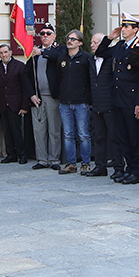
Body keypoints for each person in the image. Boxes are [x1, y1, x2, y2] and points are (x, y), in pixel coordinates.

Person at [97, 15, 139, 184]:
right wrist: (110, 38)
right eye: (123, 26)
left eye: (127, 27)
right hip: (118, 99)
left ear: (135, 29)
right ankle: (128, 169)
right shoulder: (119, 46)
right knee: (122, 137)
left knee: (134, 137)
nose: (124, 29)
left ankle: (137, 171)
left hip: (132, 101)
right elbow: (101, 52)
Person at [25, 27, 63, 170]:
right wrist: (31, 94)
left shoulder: (58, 49)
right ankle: (42, 159)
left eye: (48, 34)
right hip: (38, 98)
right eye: (42, 34)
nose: (45, 36)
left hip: (53, 97)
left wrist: (42, 52)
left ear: (54, 36)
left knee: (54, 129)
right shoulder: (35, 54)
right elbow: (26, 75)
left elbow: (57, 56)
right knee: (39, 130)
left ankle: (54, 159)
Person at [58, 30, 94, 174]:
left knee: (83, 134)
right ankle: (71, 163)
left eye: (73, 39)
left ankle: (85, 163)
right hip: (65, 102)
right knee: (68, 134)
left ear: (80, 42)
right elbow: (58, 78)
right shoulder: (61, 58)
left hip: (81, 102)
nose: (69, 41)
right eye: (68, 38)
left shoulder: (86, 58)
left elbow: (91, 79)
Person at [0, 43, 30, 164]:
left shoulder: (20, 66)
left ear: (11, 52)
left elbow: (24, 87)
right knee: (6, 131)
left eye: (6, 52)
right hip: (2, 104)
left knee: (17, 131)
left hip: (16, 105)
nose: (4, 55)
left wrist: (24, 106)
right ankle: (11, 154)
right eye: (1, 53)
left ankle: (22, 154)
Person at [85, 33, 113, 176]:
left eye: (95, 42)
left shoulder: (110, 59)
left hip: (110, 104)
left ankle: (118, 165)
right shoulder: (90, 59)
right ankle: (100, 166)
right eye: (91, 42)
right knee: (98, 137)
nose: (92, 45)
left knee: (114, 136)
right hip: (96, 104)